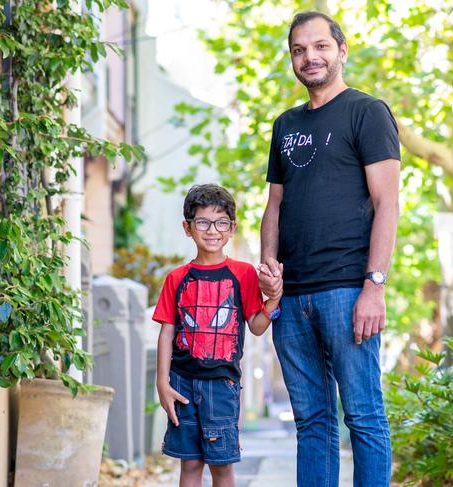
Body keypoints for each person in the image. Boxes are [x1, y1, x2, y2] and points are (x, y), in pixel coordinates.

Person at [258, 10, 401, 487]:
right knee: (312, 424)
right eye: (299, 50)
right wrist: (269, 276)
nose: (309, 57)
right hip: (292, 298)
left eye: (320, 46)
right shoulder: (285, 123)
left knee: (363, 416)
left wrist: (374, 285)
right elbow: (274, 206)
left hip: (347, 290)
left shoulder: (367, 112)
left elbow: (387, 204)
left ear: (341, 51)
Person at [153, 184, 282, 487]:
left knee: (222, 467)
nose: (212, 230)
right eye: (202, 222)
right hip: (181, 382)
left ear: (232, 228)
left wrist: (274, 301)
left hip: (221, 386)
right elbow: (167, 330)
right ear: (188, 228)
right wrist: (162, 382)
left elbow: (257, 325)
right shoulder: (176, 278)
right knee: (190, 465)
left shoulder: (244, 274)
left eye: (221, 222)